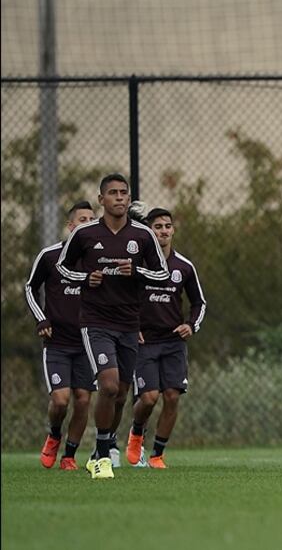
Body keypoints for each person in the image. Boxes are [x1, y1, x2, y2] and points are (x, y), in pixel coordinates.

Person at [57, 174, 169, 479]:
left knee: (120, 393)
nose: (119, 198)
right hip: (95, 322)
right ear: (101, 199)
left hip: (129, 323)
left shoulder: (143, 236)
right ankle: (104, 456)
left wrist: (137, 271)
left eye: (124, 193)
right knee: (106, 385)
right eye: (113, 193)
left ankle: (100, 450)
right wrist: (85, 278)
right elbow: (63, 267)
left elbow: (162, 275)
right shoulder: (85, 234)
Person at [125, 208, 207, 469]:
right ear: (149, 231)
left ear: (173, 230)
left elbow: (199, 303)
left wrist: (190, 325)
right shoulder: (138, 265)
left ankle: (157, 454)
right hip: (144, 342)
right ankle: (136, 434)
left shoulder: (183, 266)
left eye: (167, 226)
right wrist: (131, 325)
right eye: (157, 226)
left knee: (172, 396)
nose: (163, 230)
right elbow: (122, 298)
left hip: (173, 342)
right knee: (149, 397)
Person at [25, 201, 97, 471]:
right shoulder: (50, 255)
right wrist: (41, 319)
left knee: (83, 399)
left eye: (92, 219)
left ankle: (69, 455)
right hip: (57, 342)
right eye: (82, 219)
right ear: (71, 226)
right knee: (60, 400)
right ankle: (54, 434)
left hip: (88, 341)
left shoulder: (96, 260)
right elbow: (30, 288)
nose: (88, 223)